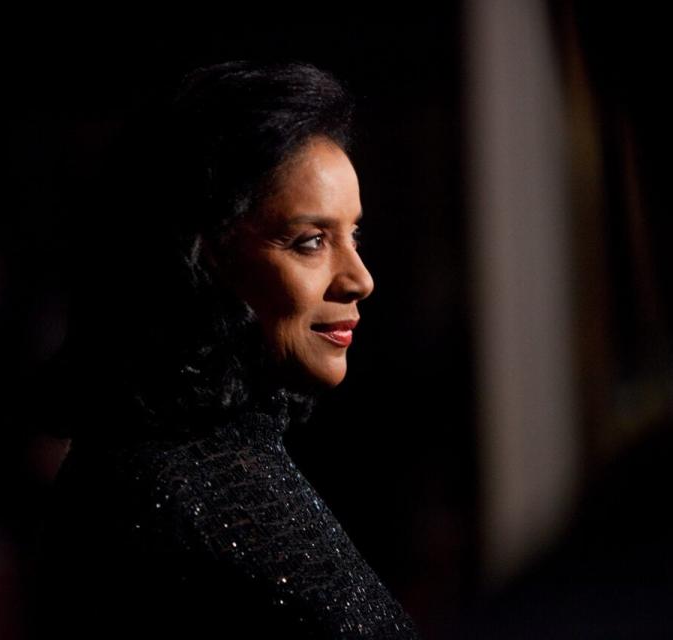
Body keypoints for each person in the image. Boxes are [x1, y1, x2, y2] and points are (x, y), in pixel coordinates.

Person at [28, 59, 423, 639]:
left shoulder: (222, 460)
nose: (360, 278)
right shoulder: (163, 496)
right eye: (312, 241)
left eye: (353, 234)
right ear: (204, 256)